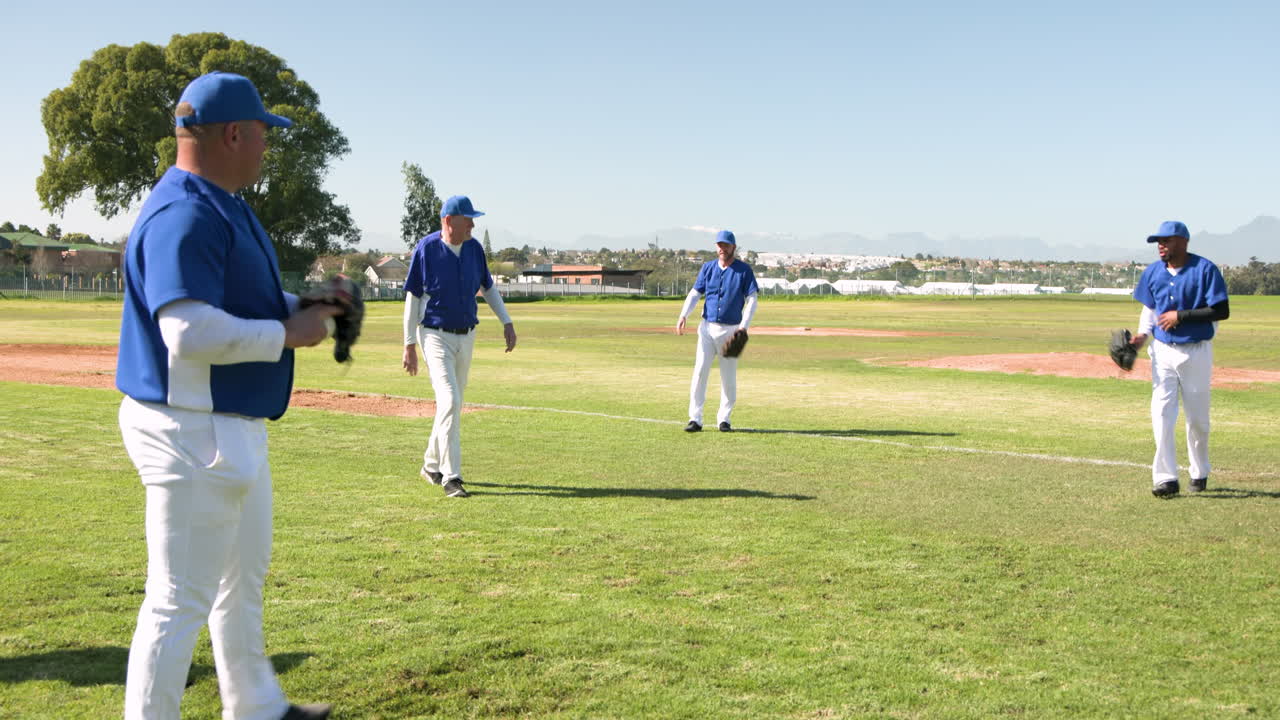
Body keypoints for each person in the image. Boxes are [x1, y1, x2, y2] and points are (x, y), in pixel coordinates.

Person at [114, 72, 337, 720]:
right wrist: (287, 332)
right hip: (190, 431)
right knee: (178, 599)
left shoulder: (223, 203)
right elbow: (184, 329)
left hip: (225, 425)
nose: (268, 146)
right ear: (234, 133)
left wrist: (310, 304)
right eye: (263, 132)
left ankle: (256, 706)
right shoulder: (184, 209)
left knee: (240, 584)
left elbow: (235, 301)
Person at [402, 195, 517, 498]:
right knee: (451, 400)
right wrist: (409, 344)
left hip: (467, 335)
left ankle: (430, 465)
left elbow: (488, 288)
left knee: (450, 405)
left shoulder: (474, 249)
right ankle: (451, 477)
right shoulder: (426, 249)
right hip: (434, 334)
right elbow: (413, 298)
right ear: (450, 220)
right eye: (469, 219)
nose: (473, 224)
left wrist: (506, 321)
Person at [1128, 220, 1230, 498]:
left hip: (1196, 351)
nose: (1161, 245)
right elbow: (1150, 311)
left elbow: (1221, 311)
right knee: (1161, 414)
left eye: (1166, 240)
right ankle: (1166, 478)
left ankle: (1199, 470)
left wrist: (1180, 316)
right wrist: (1141, 337)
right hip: (1162, 351)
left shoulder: (1204, 269)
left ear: (1183, 242)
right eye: (1158, 241)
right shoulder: (1153, 273)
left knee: (1197, 419)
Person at [677, 230, 759, 432]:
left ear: (733, 247)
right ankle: (695, 418)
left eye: (726, 245)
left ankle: (725, 419)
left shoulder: (743, 270)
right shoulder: (708, 268)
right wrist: (683, 314)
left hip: (732, 330)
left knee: (728, 377)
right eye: (719, 245)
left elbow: (752, 299)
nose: (722, 249)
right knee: (699, 372)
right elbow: (696, 293)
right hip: (706, 328)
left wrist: (744, 327)